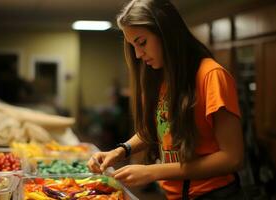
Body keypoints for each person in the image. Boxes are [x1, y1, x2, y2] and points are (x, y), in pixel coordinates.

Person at [87, 0, 245, 199]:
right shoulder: (162, 76)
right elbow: (156, 129)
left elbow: (232, 158)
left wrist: (153, 171)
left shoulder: (211, 75)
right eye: (133, 46)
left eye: (142, 42)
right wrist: (120, 151)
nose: (138, 54)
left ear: (165, 33)